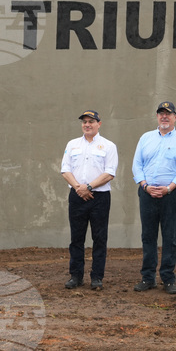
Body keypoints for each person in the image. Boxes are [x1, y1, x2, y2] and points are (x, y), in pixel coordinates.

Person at [132, 101, 176, 295]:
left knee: (170, 237)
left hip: (171, 195)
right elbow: (137, 165)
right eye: (161, 113)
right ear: (157, 117)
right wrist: (145, 186)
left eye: (168, 113)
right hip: (147, 193)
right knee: (148, 236)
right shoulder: (145, 138)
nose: (164, 117)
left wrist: (168, 188)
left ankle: (168, 278)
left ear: (175, 117)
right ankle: (148, 278)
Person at [61, 110, 117, 291]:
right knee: (76, 238)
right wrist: (79, 187)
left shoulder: (108, 146)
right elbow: (65, 169)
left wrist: (89, 187)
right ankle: (76, 276)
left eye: (91, 121)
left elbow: (109, 173)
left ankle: (97, 277)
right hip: (77, 195)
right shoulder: (72, 144)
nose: (87, 125)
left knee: (99, 238)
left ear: (99, 124)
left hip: (99, 197)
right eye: (84, 122)